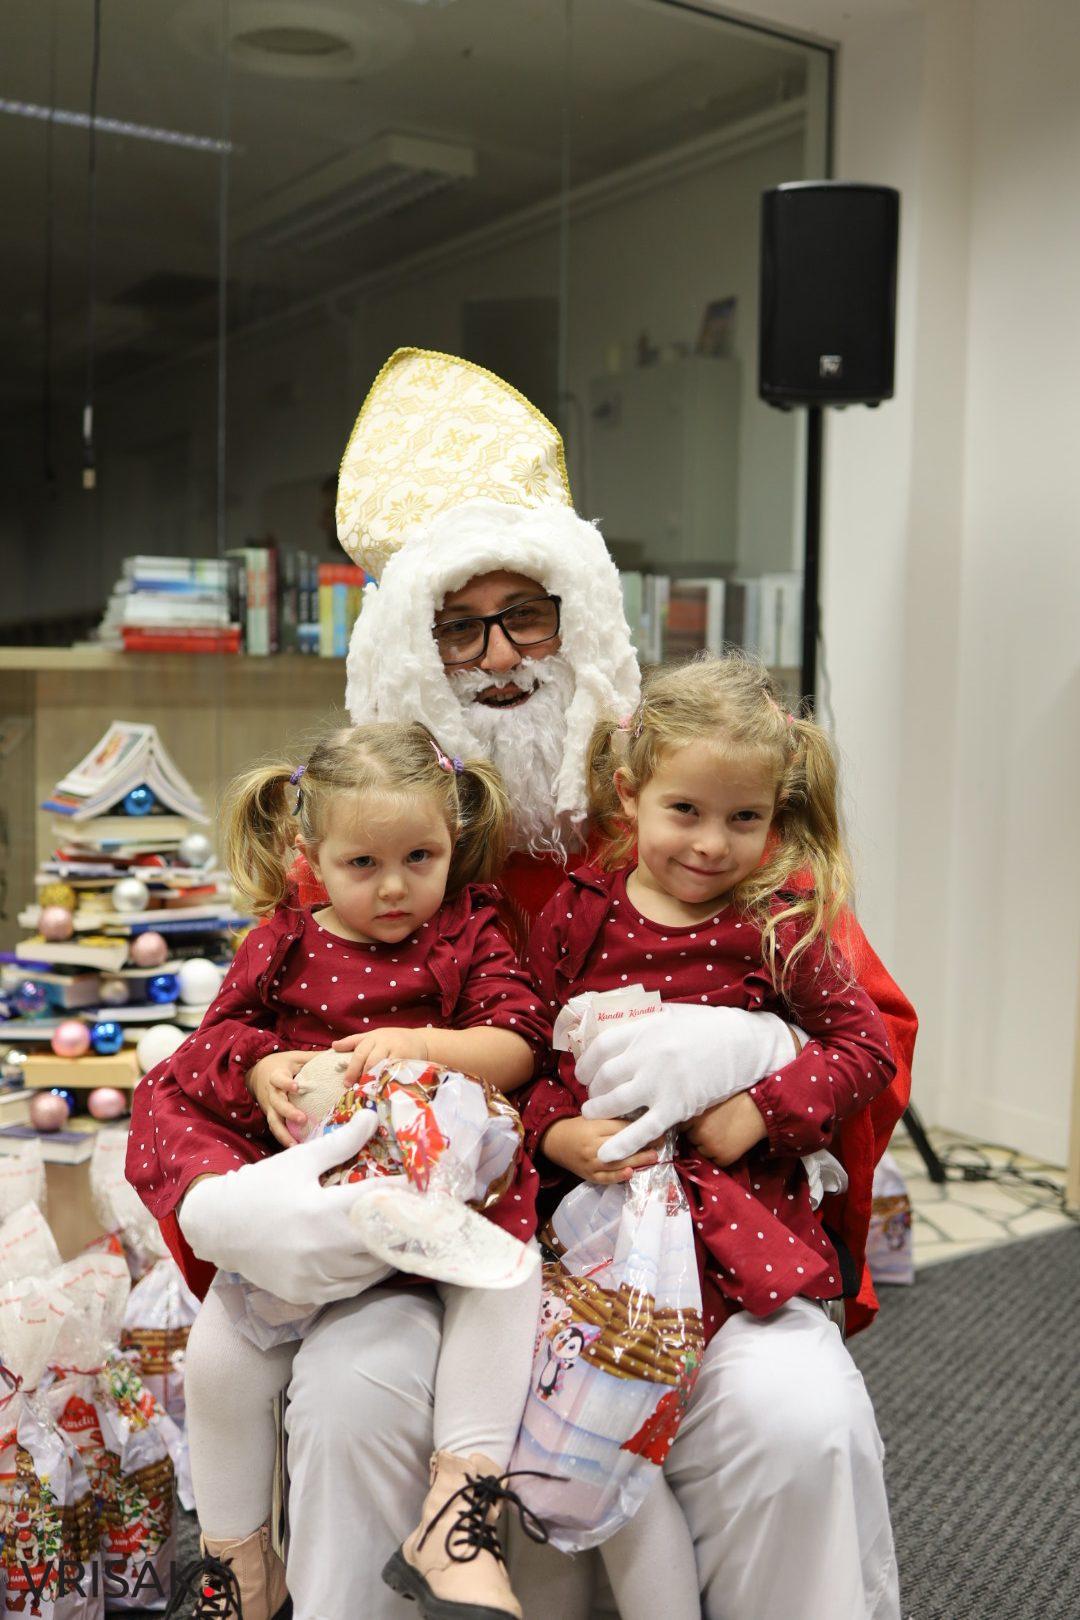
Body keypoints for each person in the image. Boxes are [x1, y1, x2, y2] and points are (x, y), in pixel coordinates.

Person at [138, 350, 915, 1619]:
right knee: (347, 1399)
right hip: (439, 1248)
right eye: (459, 623)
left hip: (684, 1241)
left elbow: (864, 1026)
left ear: (582, 623)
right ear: (412, 650)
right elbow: (244, 1057)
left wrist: (740, 1062)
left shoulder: (688, 828)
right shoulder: (379, 864)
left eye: (529, 616)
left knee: (800, 1426)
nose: (498, 656)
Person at [128, 722, 554, 1620]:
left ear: (452, 844)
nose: (396, 887)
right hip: (315, 1208)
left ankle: (456, 1509)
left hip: (441, 1197)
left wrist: (420, 1044)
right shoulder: (282, 941)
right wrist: (258, 1068)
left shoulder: (467, 930)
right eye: (364, 864)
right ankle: (238, 1569)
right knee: (219, 1355)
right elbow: (212, 1044)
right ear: (308, 853)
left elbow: (518, 1044)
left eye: (420, 856)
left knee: (508, 1276)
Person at [518, 652, 899, 1620]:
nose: (711, 845)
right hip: (601, 1247)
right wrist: (562, 1140)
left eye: (744, 818)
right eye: (684, 811)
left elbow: (864, 1047)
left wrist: (757, 1110)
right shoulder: (576, 918)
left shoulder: (779, 925)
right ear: (628, 792)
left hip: (738, 1228)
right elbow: (532, 1066)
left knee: (798, 1419)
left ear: (776, 814)